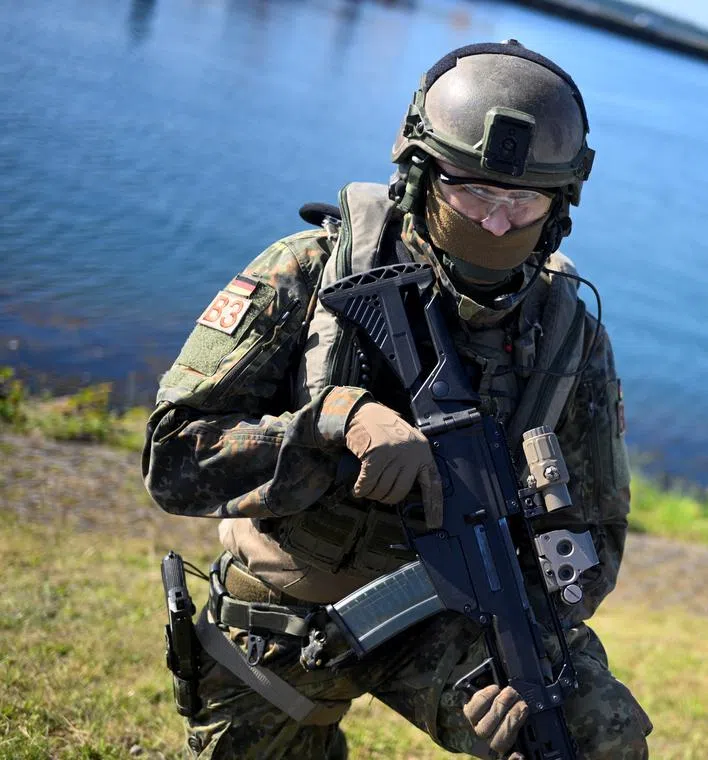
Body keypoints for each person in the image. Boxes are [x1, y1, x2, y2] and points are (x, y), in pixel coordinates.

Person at [142, 40, 651, 758]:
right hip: (288, 599)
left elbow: (597, 537)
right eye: (471, 192)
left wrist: (520, 651)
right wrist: (330, 424)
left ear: (560, 206)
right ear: (417, 176)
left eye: (522, 200)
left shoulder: (567, 338)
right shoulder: (309, 272)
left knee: (587, 734)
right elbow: (173, 459)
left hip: (449, 617)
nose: (497, 222)